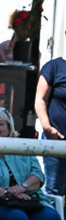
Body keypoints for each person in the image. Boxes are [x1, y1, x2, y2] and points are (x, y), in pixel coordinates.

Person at [35, 53, 66, 197]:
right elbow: (40, 99)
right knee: (54, 192)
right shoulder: (53, 67)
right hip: (55, 140)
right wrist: (47, 128)